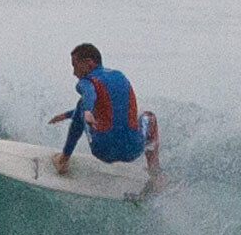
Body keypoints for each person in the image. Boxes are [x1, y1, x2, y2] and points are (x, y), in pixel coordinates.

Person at [48, 43, 160, 179]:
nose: (74, 73)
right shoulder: (120, 76)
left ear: (89, 63)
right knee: (149, 117)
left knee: (81, 105)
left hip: (104, 151)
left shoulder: (87, 81)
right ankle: (155, 175)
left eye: (75, 66)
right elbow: (109, 109)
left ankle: (63, 159)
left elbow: (89, 93)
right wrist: (67, 115)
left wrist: (87, 110)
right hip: (133, 150)